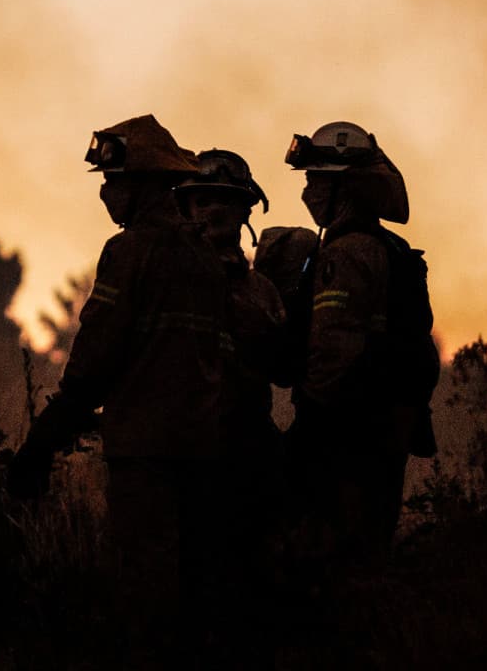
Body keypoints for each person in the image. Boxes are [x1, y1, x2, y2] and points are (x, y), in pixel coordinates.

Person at [9, 114, 231, 658]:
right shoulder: (205, 255)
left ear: (142, 187)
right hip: (205, 447)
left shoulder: (130, 250)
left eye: (114, 182)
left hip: (146, 451)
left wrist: (43, 440)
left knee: (148, 592)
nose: (106, 194)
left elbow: (95, 358)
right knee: (198, 590)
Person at [282, 120, 440, 571]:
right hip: (383, 426)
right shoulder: (389, 246)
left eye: (316, 180)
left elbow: (334, 349)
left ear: (345, 188)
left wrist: (309, 426)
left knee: (330, 557)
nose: (308, 191)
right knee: (368, 551)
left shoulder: (346, 252)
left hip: (345, 432)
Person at [173, 148, 294, 656]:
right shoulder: (166, 277)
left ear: (247, 211)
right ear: (184, 207)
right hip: (178, 457)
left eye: (225, 200)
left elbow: (286, 369)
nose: (212, 210)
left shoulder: (264, 290)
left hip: (246, 455)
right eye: (201, 199)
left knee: (248, 594)